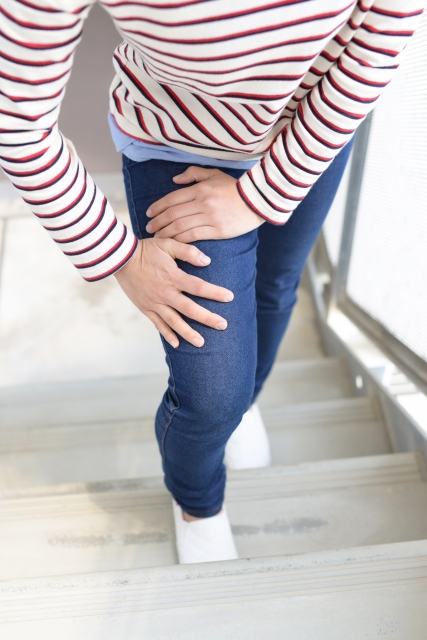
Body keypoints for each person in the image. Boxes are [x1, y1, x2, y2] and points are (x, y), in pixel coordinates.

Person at [0, 0, 423, 564]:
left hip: (310, 127)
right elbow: (15, 124)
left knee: (277, 287)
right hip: (175, 143)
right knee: (212, 395)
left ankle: (247, 406)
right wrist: (118, 256)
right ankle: (197, 502)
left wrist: (261, 195)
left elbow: (384, 32)